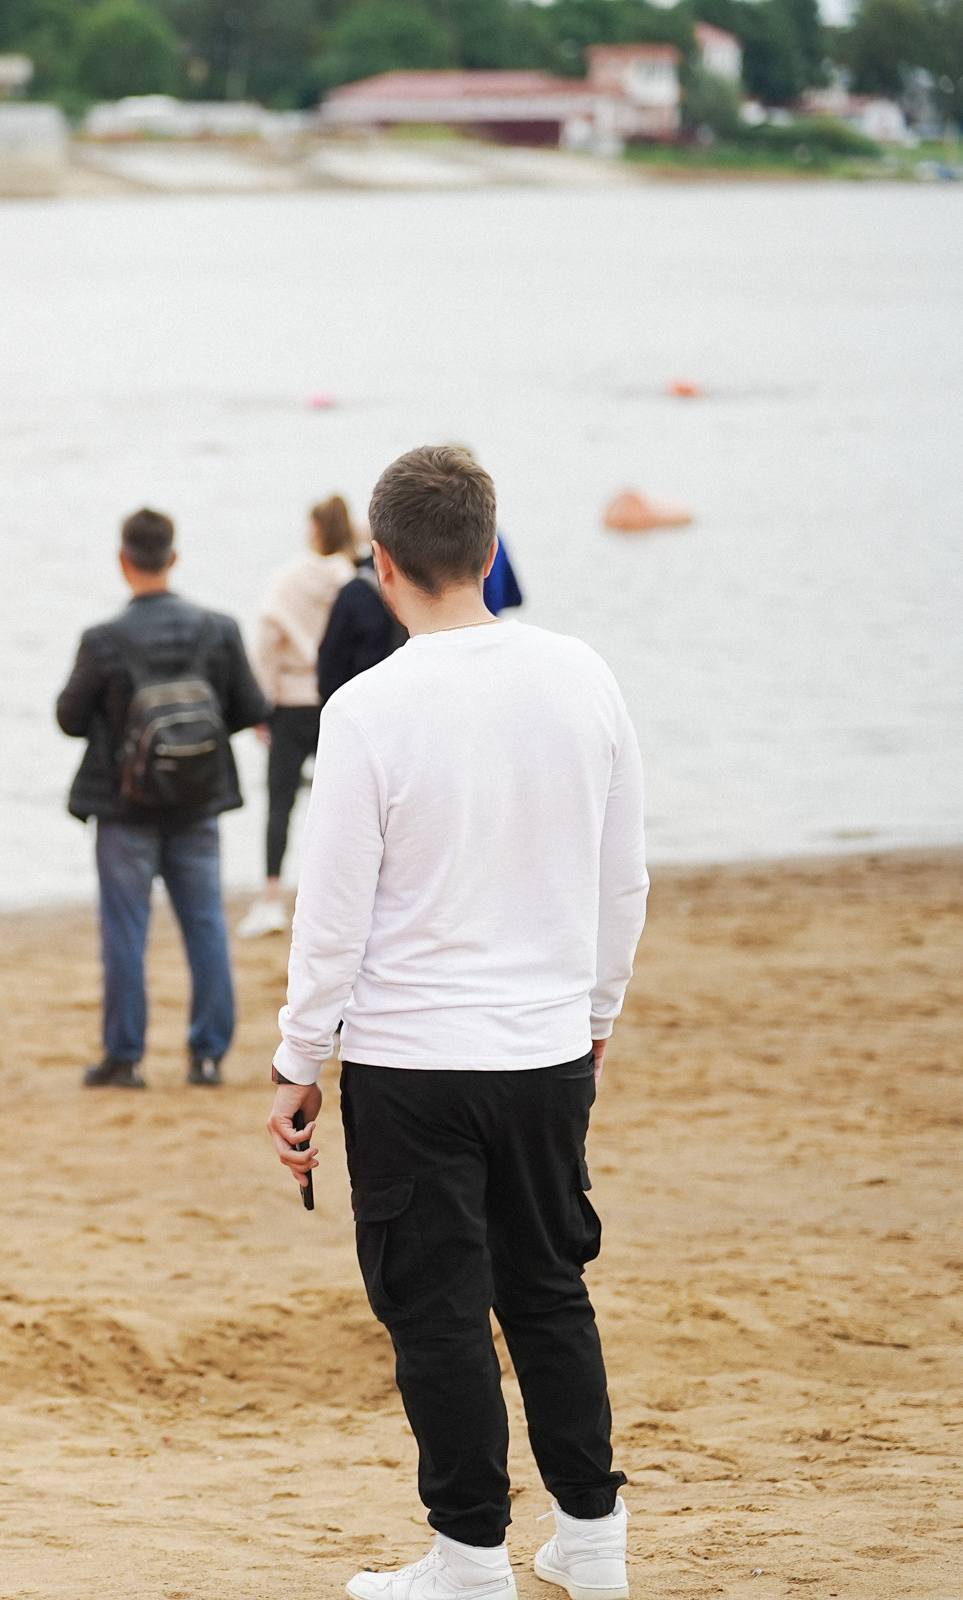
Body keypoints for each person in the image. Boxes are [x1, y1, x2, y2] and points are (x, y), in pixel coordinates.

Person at [266, 446, 645, 1600]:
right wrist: (596, 1011)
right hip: (542, 1050)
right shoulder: (583, 674)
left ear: (380, 565)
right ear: (490, 549)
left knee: (437, 1310)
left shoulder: (368, 707)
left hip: (412, 1061)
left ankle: (472, 1558)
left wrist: (297, 1061)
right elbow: (622, 872)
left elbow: (331, 914)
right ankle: (593, 1539)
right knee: (546, 1289)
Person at [57, 509, 269, 1089]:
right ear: (173, 558)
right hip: (198, 805)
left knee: (125, 931)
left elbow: (69, 718)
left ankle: (125, 1059)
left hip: (125, 810)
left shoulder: (103, 639)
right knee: (207, 927)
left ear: (124, 561)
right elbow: (252, 706)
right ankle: (207, 1056)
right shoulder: (219, 629)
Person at [238, 494, 359, 939]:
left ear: (313, 529)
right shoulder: (352, 579)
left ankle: (272, 898)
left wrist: (260, 701)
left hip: (290, 699)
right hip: (336, 701)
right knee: (344, 804)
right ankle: (343, 897)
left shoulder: (288, 580)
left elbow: (267, 640)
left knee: (280, 803)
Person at [316, 540, 406, 705]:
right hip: (407, 700)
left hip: (363, 704)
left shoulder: (354, 593)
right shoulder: (421, 587)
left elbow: (330, 670)